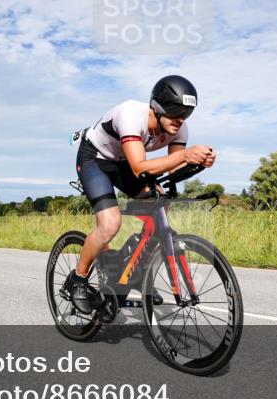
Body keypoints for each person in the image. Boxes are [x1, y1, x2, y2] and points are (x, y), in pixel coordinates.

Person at [66, 75, 216, 314]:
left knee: (160, 203)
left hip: (124, 162)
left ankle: (135, 271)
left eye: (186, 113)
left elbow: (174, 167)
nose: (180, 118)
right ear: (156, 107)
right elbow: (139, 167)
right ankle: (78, 279)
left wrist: (198, 163)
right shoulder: (131, 115)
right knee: (110, 224)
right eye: (175, 110)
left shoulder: (179, 129)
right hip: (96, 159)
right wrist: (185, 156)